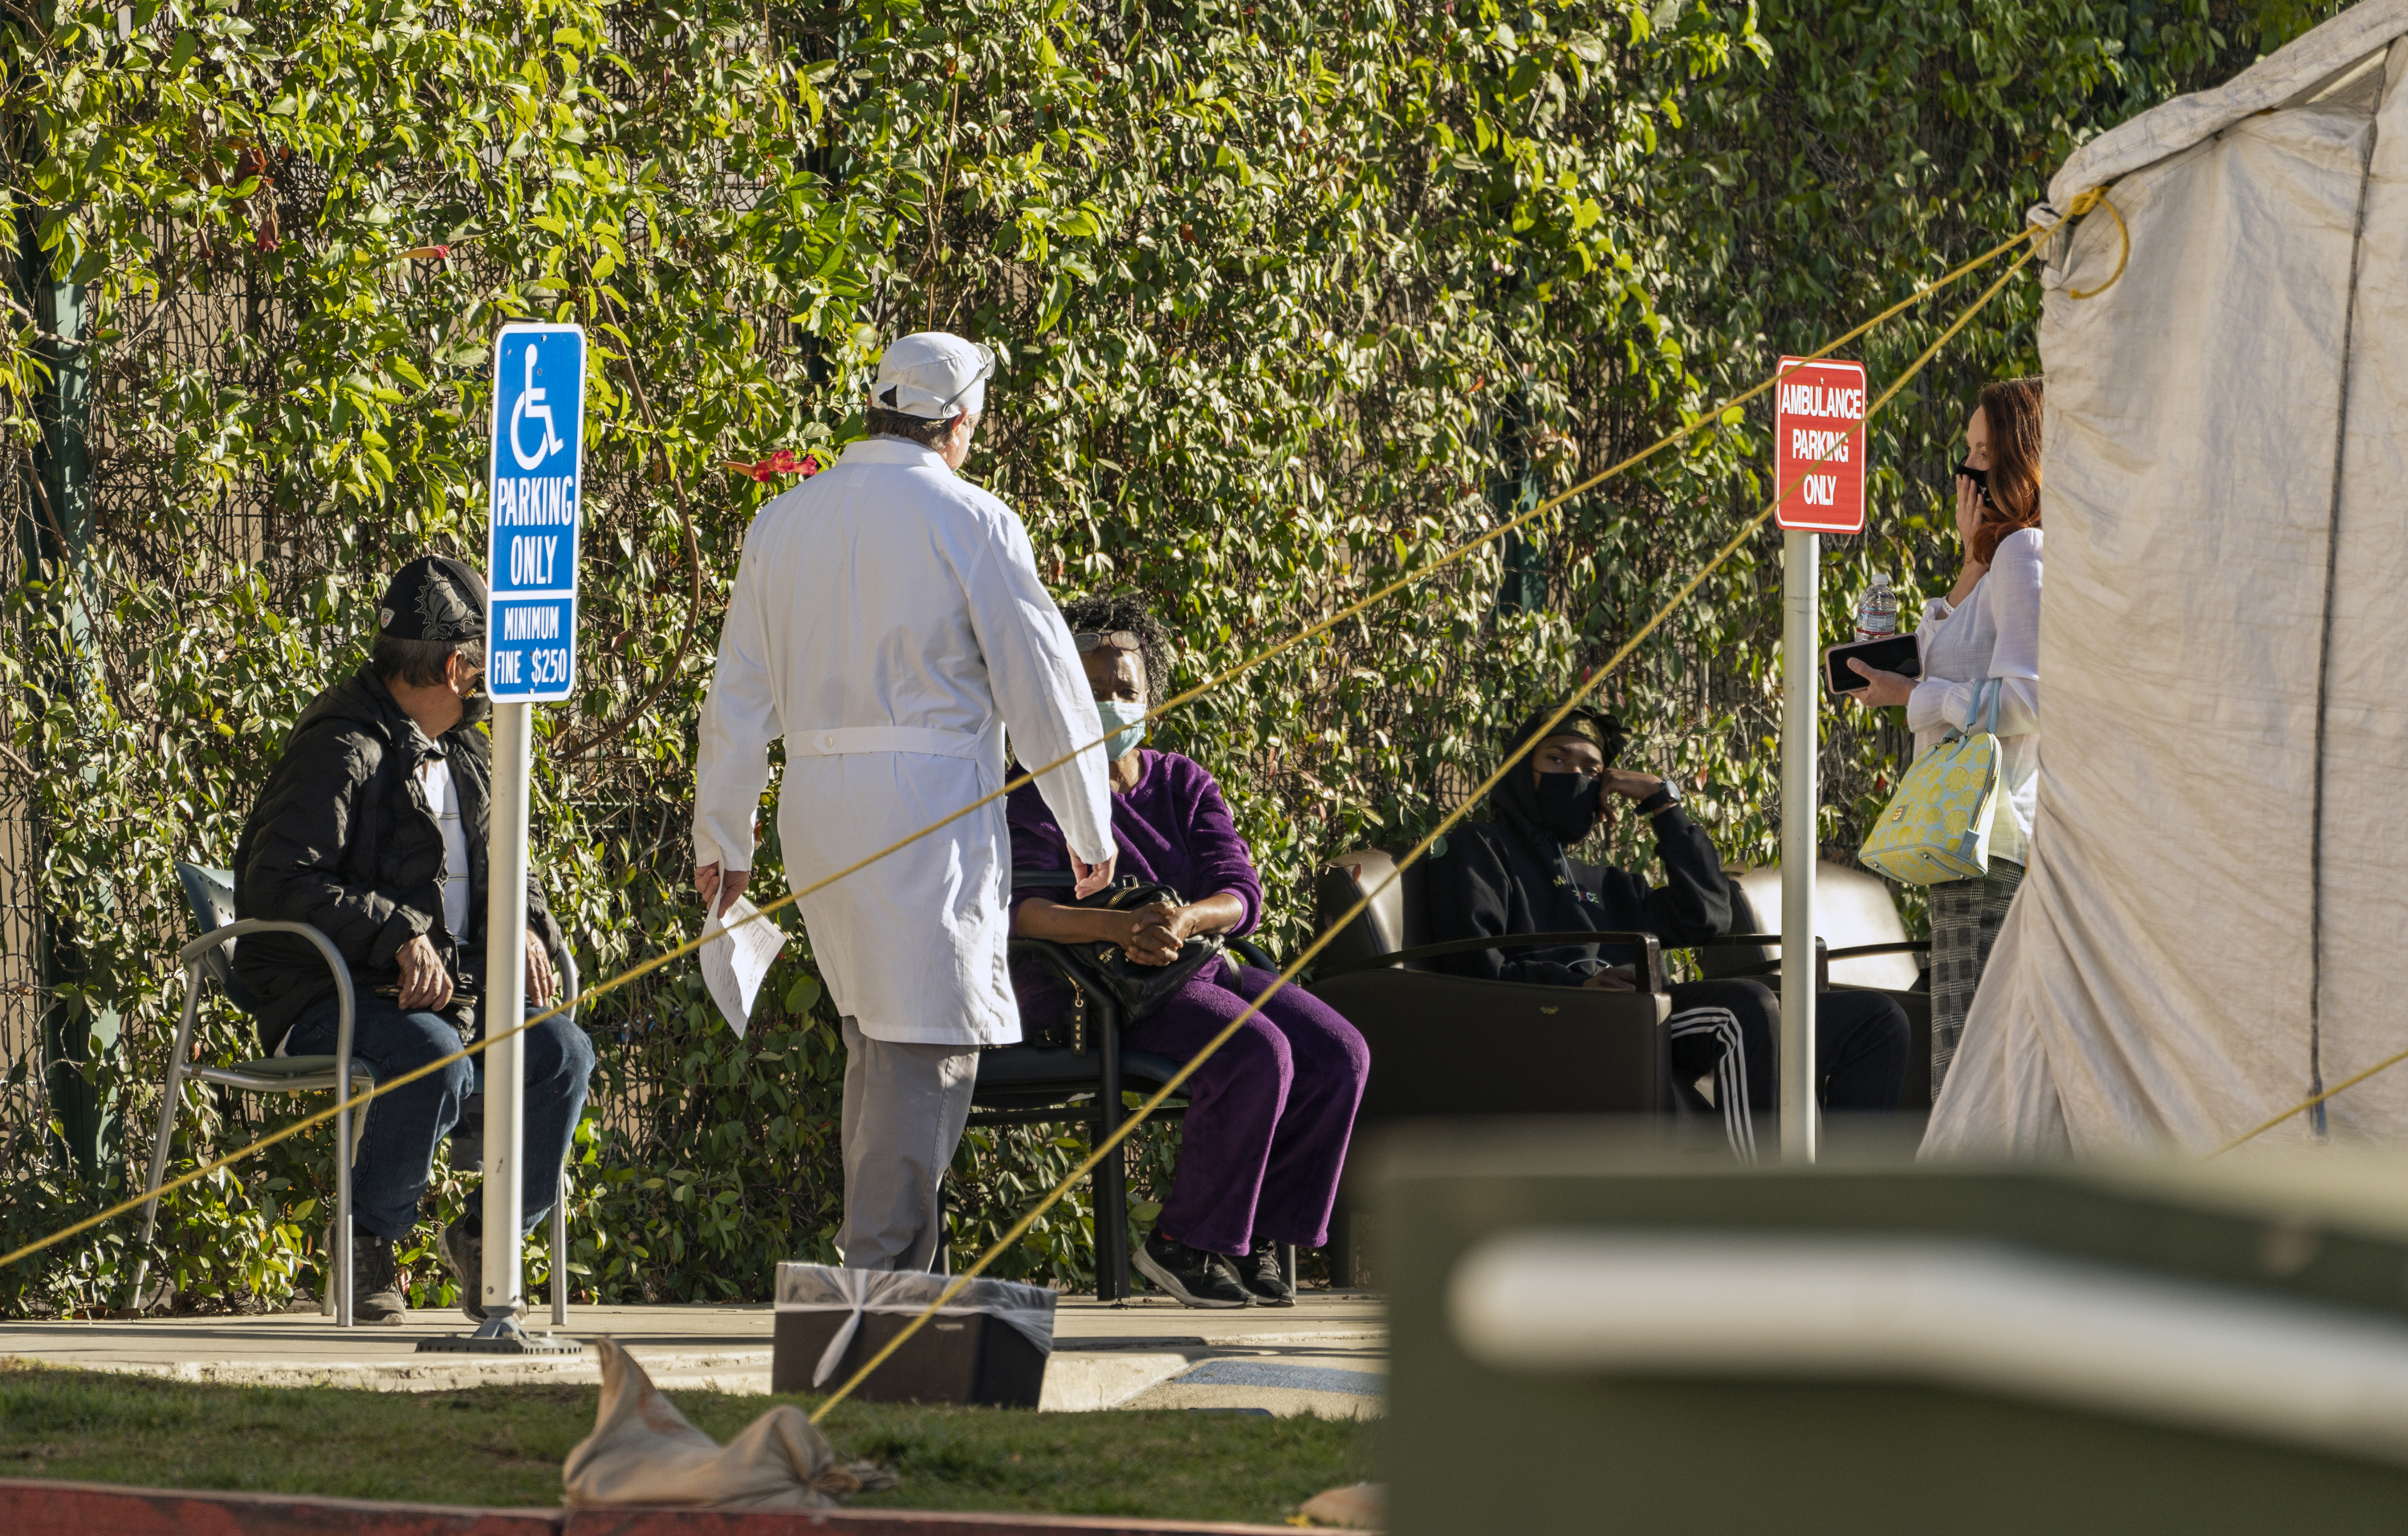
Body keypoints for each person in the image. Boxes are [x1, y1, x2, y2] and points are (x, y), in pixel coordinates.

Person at [693, 331, 1117, 1274]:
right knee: (927, 1044)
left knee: (878, 1041)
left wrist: (721, 835)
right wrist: (1089, 821)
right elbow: (1041, 679)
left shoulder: (783, 521)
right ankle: (880, 1281)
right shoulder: (971, 518)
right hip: (923, 808)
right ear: (957, 421)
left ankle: (890, 1269)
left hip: (816, 803)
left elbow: (735, 698)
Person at [234, 554, 592, 1323]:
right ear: (458, 666)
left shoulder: (467, 748)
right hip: (335, 991)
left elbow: (508, 860)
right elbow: (279, 883)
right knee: (432, 1053)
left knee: (563, 1054)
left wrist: (527, 922)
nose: (494, 683)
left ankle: (487, 1237)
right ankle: (367, 1241)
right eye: (486, 666)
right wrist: (395, 933)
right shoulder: (341, 747)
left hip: (452, 992)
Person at [1006, 595, 1369, 1308]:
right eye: (1090, 690)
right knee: (1257, 1051)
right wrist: (1119, 928)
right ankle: (1185, 1243)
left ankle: (1255, 1234)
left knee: (1340, 1054)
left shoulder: (1181, 781)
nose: (1110, 703)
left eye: (1125, 691)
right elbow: (1021, 911)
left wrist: (1182, 917)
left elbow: (1240, 890)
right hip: (1094, 985)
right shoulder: (1033, 786)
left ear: (1152, 698)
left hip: (1189, 959)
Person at [1422, 708, 1910, 1152]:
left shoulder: (1602, 882)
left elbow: (1706, 912)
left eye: (1592, 770)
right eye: (1556, 759)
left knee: (1874, 1019)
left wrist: (1664, 805)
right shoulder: (1478, 848)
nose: (1575, 776)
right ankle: (1764, 1217)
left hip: (1645, 1017)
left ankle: (1852, 1210)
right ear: (1518, 770)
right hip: (1565, 1024)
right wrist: (1577, 985)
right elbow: (1472, 964)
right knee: (1741, 1009)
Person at [1838, 377, 2043, 1098]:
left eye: (1985, 456)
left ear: (2023, 461)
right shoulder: (1995, 559)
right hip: (1965, 848)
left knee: (1968, 1065)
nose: (1967, 475)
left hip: (1993, 845)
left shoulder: (2024, 554)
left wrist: (1915, 694)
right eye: (1966, 454)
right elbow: (1953, 668)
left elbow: (2029, 698)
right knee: (1961, 1053)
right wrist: (1966, 561)